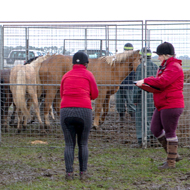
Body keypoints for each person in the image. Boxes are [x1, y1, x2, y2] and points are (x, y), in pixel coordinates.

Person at [135, 42, 184, 169]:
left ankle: (171, 162)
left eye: (160, 55)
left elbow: (162, 82)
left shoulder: (174, 67)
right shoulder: (164, 67)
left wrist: (145, 80)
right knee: (155, 129)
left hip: (171, 104)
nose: (158, 58)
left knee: (170, 132)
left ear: (166, 55)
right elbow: (159, 86)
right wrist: (145, 86)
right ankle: (173, 155)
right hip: (162, 104)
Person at [60, 51, 99, 180]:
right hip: (84, 111)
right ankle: (83, 173)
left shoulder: (66, 76)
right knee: (83, 143)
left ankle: (69, 173)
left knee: (69, 144)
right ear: (86, 64)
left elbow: (62, 94)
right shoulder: (89, 75)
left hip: (66, 111)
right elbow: (95, 94)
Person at [133, 47, 158, 146]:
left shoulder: (140, 67)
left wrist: (135, 99)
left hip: (143, 97)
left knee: (141, 118)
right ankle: (153, 138)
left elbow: (138, 85)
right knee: (153, 118)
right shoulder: (155, 67)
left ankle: (142, 139)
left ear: (141, 56)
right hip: (154, 96)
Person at [115, 43, 136, 122]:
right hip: (120, 84)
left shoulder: (133, 60)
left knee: (130, 102)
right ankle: (121, 117)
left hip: (129, 84)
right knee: (119, 102)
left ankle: (133, 117)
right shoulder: (120, 59)